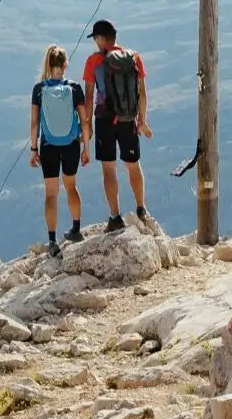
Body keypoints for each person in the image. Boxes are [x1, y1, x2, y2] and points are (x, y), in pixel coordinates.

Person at [81, 19, 153, 232]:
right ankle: (141, 208)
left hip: (104, 119)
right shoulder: (134, 57)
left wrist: (88, 125)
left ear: (102, 39)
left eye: (95, 38)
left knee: (109, 168)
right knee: (133, 164)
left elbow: (88, 95)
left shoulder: (93, 61)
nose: (95, 43)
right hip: (128, 119)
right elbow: (142, 92)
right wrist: (142, 120)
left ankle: (115, 217)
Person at [28, 44, 86, 254]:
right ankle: (76, 229)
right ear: (65, 64)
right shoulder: (75, 87)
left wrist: (34, 149)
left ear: (48, 64)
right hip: (71, 144)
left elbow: (34, 123)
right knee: (71, 186)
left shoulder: (39, 89)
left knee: (51, 194)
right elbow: (85, 120)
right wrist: (86, 147)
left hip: (48, 146)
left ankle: (52, 241)